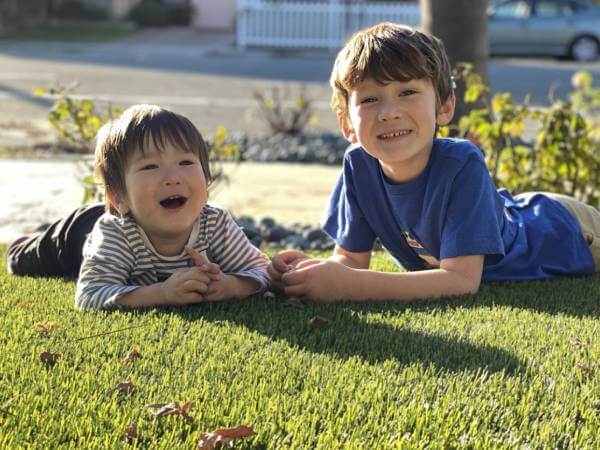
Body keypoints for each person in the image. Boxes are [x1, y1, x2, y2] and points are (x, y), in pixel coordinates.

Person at [268, 22, 600, 303]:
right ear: (347, 125)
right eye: (369, 99)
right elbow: (351, 261)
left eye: (407, 92)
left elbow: (460, 281)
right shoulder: (359, 166)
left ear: (444, 107)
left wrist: (349, 287)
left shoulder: (461, 162)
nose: (389, 112)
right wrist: (309, 273)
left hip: (565, 228)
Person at [7, 104, 270, 309]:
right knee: (25, 260)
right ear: (117, 196)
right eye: (150, 166)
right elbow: (89, 295)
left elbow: (262, 271)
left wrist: (229, 286)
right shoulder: (115, 236)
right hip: (76, 234)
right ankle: (22, 244)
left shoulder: (216, 223)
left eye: (186, 163)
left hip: (128, 211)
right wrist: (163, 293)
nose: (173, 177)